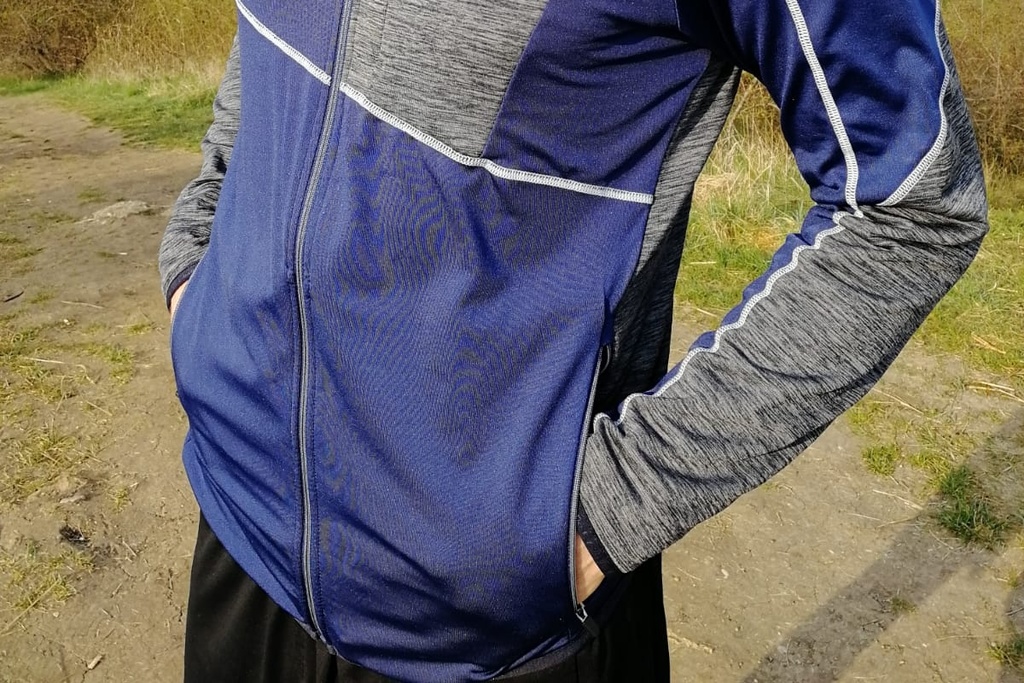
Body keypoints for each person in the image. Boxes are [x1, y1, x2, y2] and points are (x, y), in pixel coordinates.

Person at [159, 0, 988, 680]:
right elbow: (269, 47)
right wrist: (197, 254)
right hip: (237, 521)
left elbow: (912, 203)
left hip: (493, 623)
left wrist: (601, 513)